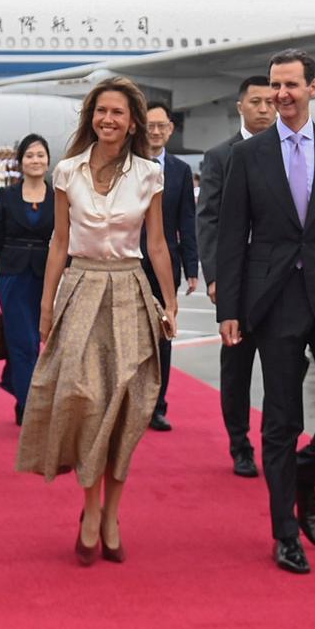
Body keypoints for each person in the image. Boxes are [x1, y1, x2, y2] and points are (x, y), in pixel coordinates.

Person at [215, 49, 315, 575]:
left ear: (313, 87)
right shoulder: (249, 155)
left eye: (290, 85)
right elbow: (233, 237)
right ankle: (285, 531)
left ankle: (305, 478)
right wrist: (231, 308)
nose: (280, 94)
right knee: (281, 422)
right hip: (273, 302)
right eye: (273, 85)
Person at [16, 78, 176, 565]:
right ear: (92, 117)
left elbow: (157, 244)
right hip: (81, 288)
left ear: (132, 124)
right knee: (84, 400)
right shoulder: (66, 172)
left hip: (129, 290)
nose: (109, 120)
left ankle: (113, 514)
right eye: (101, 111)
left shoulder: (149, 175)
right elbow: (59, 244)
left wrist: (169, 305)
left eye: (118, 114)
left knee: (128, 406)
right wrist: (46, 308)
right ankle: (89, 510)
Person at [196, 75, 275, 477]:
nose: (264, 108)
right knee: (238, 368)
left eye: (270, 101)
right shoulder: (220, 156)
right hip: (239, 283)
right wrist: (215, 277)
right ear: (240, 106)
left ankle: (278, 442)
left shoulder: (290, 150)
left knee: (285, 367)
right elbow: (207, 219)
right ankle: (240, 442)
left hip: (282, 281)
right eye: (256, 101)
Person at [0, 133, 54, 423]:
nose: (35, 160)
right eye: (29, 155)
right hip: (12, 275)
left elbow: (67, 238)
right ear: (20, 162)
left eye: (40, 155)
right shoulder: (7, 195)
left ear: (48, 161)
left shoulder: (59, 196)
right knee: (22, 340)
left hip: (46, 274)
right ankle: (29, 405)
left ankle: (16, 384)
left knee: (35, 339)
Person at [139, 101, 198, 432]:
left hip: (166, 266)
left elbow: (187, 220)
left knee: (163, 335)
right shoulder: (127, 164)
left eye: (162, 126)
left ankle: (157, 407)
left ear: (171, 129)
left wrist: (191, 266)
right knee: (130, 335)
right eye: (150, 126)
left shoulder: (179, 170)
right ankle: (128, 403)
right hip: (129, 262)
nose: (156, 131)